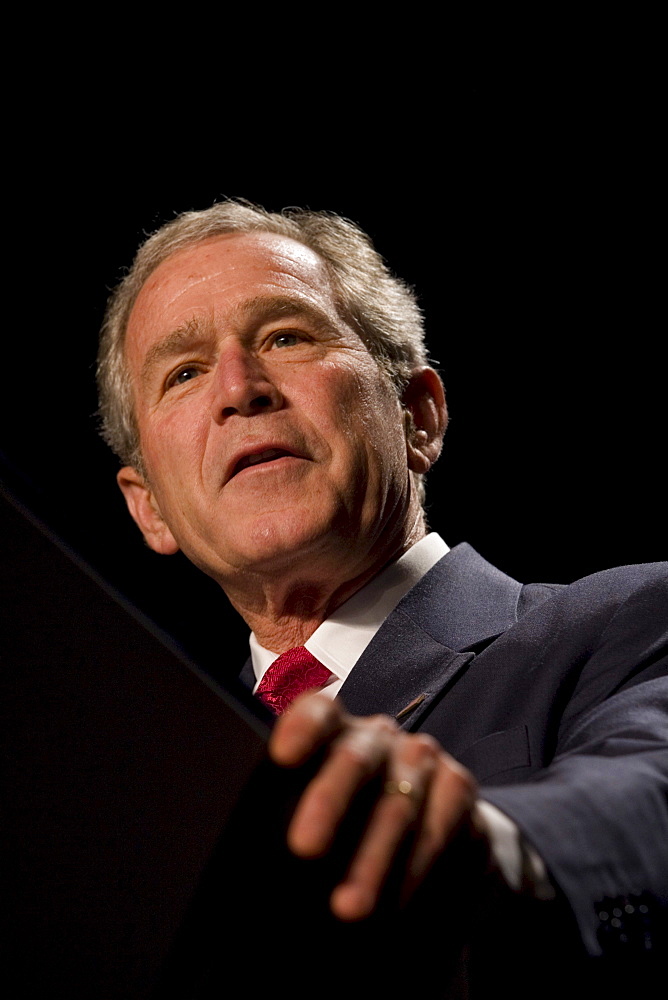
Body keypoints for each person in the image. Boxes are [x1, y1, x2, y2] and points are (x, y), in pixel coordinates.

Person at [97, 200, 667, 993]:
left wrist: (496, 847)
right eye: (183, 372)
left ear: (419, 416)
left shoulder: (629, 622)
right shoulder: (137, 793)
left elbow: (650, 793)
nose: (238, 388)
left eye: (285, 336)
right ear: (148, 506)